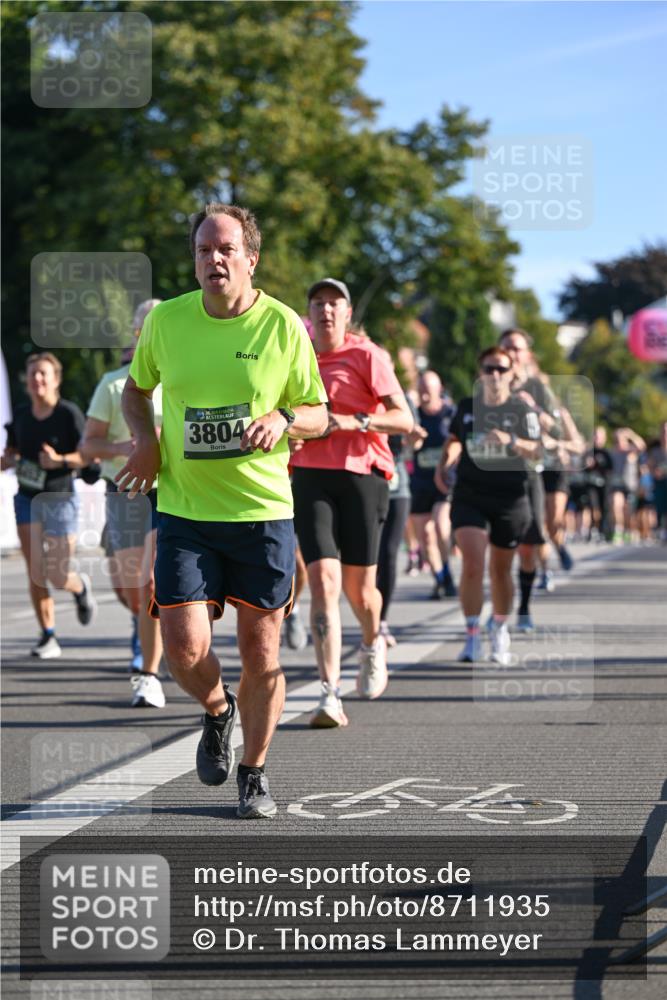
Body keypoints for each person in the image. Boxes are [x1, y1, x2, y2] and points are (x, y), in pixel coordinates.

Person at [117, 204, 328, 818]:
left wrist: (283, 418)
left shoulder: (283, 326)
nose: (214, 259)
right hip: (186, 511)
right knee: (183, 647)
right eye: (203, 250)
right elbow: (136, 390)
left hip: (262, 512)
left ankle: (254, 772)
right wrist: (146, 440)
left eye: (226, 249)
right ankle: (217, 709)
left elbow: (318, 413)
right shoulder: (168, 321)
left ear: (251, 259)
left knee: (262, 653)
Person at [290, 278, 413, 727]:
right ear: (308, 312)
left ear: (347, 314)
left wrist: (352, 421)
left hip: (362, 473)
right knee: (323, 580)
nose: (325, 309)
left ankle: (372, 641)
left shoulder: (367, 355)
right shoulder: (294, 354)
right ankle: (329, 694)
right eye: (318, 302)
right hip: (309, 475)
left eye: (334, 303)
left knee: (361, 592)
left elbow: (403, 418)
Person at [80, 299, 165, 707]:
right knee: (131, 589)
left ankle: (149, 675)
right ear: (136, 333)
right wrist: (120, 447)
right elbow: (88, 446)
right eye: (147, 326)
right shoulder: (114, 385)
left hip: (170, 493)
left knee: (151, 584)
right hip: (126, 490)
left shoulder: (182, 382)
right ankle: (143, 627)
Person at [436, 346, 541, 665]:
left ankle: (499, 628)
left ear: (512, 374)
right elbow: (455, 439)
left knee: (500, 570)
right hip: (471, 493)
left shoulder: (521, 409)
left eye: (501, 369)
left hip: (510, 497)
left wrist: (510, 440)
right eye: (488, 369)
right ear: (480, 374)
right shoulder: (467, 406)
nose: (494, 374)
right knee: (473, 562)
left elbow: (538, 451)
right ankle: (471, 635)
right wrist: (445, 461)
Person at [2, 352, 96, 657]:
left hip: (60, 499)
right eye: (32, 374)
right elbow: (12, 452)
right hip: (27, 498)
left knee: (57, 574)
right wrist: (8, 460)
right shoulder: (21, 415)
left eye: (43, 373)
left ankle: (79, 587)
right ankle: (48, 635)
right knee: (35, 570)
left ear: (56, 380)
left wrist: (60, 460)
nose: (37, 379)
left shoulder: (68, 414)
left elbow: (89, 456)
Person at [408, 370, 457, 599]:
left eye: (428, 390)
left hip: (445, 480)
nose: (425, 395)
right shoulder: (414, 416)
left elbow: (461, 442)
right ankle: (439, 578)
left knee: (440, 524)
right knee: (425, 537)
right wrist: (413, 441)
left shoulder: (450, 414)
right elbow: (407, 448)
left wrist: (448, 463)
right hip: (420, 482)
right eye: (421, 390)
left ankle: (447, 572)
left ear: (439, 390)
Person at [610, 428, 646, 543]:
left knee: (628, 511)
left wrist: (631, 434)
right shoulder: (613, 451)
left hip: (630, 486)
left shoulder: (631, 451)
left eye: (621, 439)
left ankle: (628, 530)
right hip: (617, 485)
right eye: (617, 439)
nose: (618, 442)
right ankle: (618, 530)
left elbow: (642, 446)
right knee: (616, 505)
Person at [647, 421, 667, 543]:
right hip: (659, 484)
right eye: (663, 431)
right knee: (659, 507)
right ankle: (661, 530)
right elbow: (649, 467)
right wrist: (655, 472)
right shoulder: (655, 451)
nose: (665, 434)